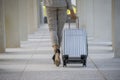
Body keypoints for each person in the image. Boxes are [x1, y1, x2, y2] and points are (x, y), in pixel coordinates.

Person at [44, 0, 76, 67]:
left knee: (52, 29)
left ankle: (56, 52)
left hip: (50, 4)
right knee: (59, 30)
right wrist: (71, 10)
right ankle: (57, 53)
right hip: (62, 5)